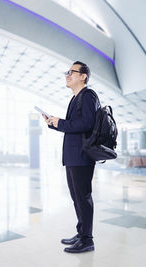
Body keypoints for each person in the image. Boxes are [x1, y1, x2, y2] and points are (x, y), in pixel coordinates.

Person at [43, 61, 98, 253]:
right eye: (67, 72)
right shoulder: (75, 98)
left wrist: (62, 122)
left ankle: (87, 239)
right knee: (77, 198)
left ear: (83, 76)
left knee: (83, 197)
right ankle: (81, 232)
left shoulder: (88, 96)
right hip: (73, 156)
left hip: (82, 156)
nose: (67, 74)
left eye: (72, 72)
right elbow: (74, 126)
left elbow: (87, 124)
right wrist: (54, 123)